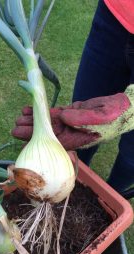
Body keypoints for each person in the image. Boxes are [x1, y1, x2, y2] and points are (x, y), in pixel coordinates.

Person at [12, 0, 134, 194]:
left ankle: (113, 193)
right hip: (116, 12)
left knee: (131, 153)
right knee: (79, 121)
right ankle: (73, 179)